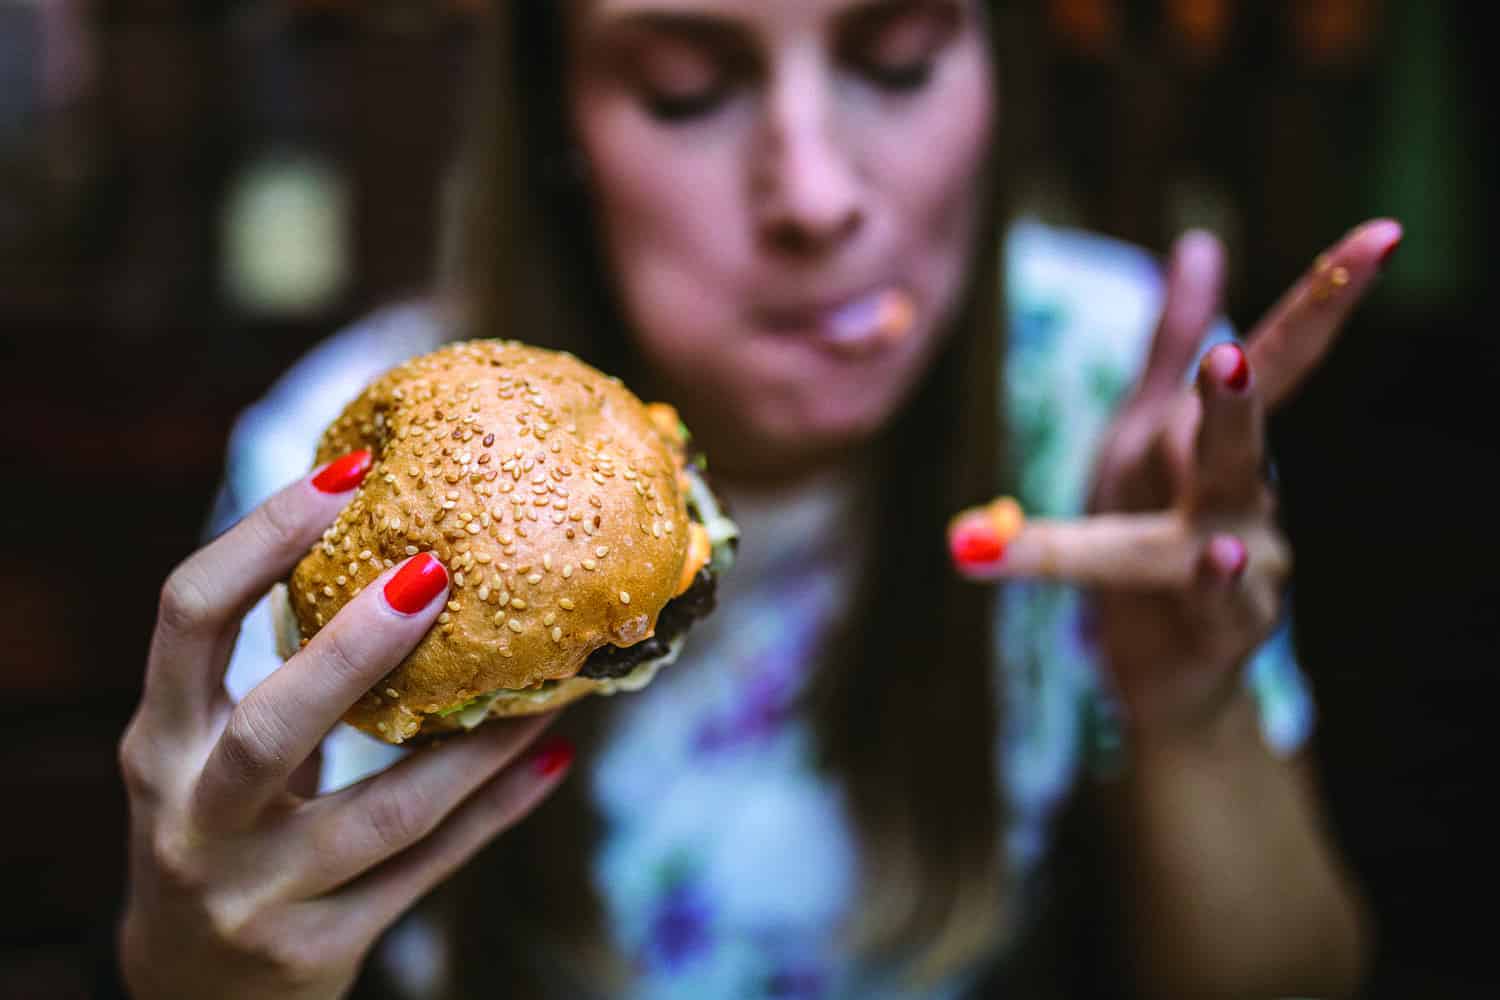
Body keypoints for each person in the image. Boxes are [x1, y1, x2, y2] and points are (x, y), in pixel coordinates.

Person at [115, 2, 1401, 997]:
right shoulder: (349, 478)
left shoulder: (1109, 388)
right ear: (560, 120)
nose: (820, 196)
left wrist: (1195, 717)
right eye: (689, 88)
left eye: (897, 61)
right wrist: (204, 969)